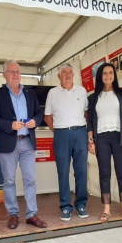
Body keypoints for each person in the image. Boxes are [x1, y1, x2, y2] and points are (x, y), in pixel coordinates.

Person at [0, 60, 47, 230]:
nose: (15, 74)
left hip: (27, 142)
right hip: (7, 144)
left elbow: (38, 113)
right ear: (4, 75)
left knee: (30, 180)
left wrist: (35, 122)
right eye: (11, 71)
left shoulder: (29, 93)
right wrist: (10, 125)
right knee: (9, 181)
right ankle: (13, 214)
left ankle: (31, 215)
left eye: (17, 71)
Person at [87, 63, 122, 222]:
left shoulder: (121, 94)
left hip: (120, 137)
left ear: (114, 76)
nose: (108, 76)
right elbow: (90, 122)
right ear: (100, 77)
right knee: (104, 174)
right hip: (101, 138)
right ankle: (106, 209)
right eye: (105, 73)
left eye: (110, 73)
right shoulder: (94, 98)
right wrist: (91, 141)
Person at [44, 63, 89, 221]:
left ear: (73, 75)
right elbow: (47, 116)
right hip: (61, 134)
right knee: (63, 171)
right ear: (59, 76)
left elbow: (86, 112)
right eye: (64, 72)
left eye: (70, 72)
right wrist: (58, 131)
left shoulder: (82, 91)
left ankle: (81, 204)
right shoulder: (53, 92)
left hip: (80, 132)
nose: (68, 75)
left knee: (81, 170)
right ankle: (65, 206)